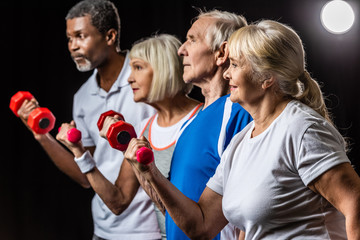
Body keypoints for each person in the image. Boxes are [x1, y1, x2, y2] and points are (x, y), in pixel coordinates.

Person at [124, 20, 360, 239]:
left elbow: (355, 203)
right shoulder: (241, 142)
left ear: (266, 77)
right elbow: (201, 224)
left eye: (235, 65)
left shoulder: (302, 129)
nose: (227, 73)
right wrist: (149, 172)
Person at [16, 0, 160, 239]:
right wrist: (42, 136)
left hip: (146, 229)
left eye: (81, 36)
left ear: (110, 36)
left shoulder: (145, 81)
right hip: (103, 230)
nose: (73, 46)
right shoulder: (82, 97)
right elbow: (86, 174)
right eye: (69, 39)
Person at [58, 33, 203, 240]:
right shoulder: (145, 128)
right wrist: (79, 152)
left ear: (163, 69)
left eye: (138, 67)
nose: (129, 78)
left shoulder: (203, 119)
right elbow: (118, 202)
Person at [125, 10, 252, 240]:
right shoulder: (191, 122)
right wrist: (142, 169)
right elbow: (173, 212)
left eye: (192, 40)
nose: (181, 49)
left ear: (221, 53)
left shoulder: (237, 112)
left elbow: (250, 210)